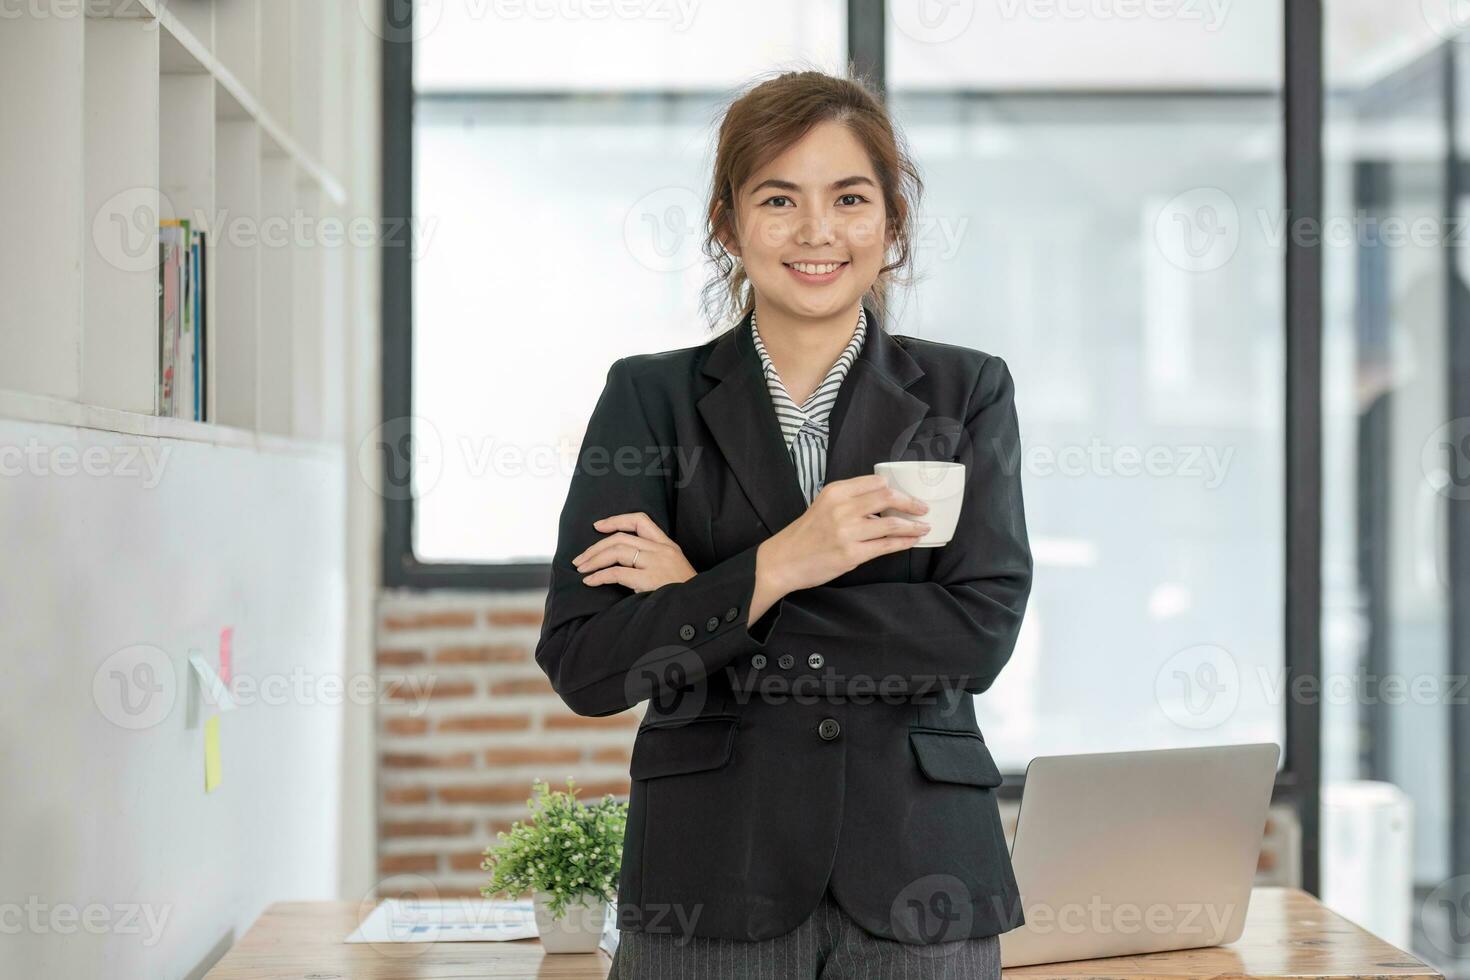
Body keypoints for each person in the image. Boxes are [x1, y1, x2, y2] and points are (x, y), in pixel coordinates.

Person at [535, 67, 1032, 979]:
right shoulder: (651, 399)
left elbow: (975, 635)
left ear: (893, 222)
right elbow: (591, 663)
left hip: (922, 877)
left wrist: (705, 596)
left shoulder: (967, 393)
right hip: (710, 876)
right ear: (727, 224)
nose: (816, 232)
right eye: (778, 199)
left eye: (849, 197)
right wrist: (776, 563)